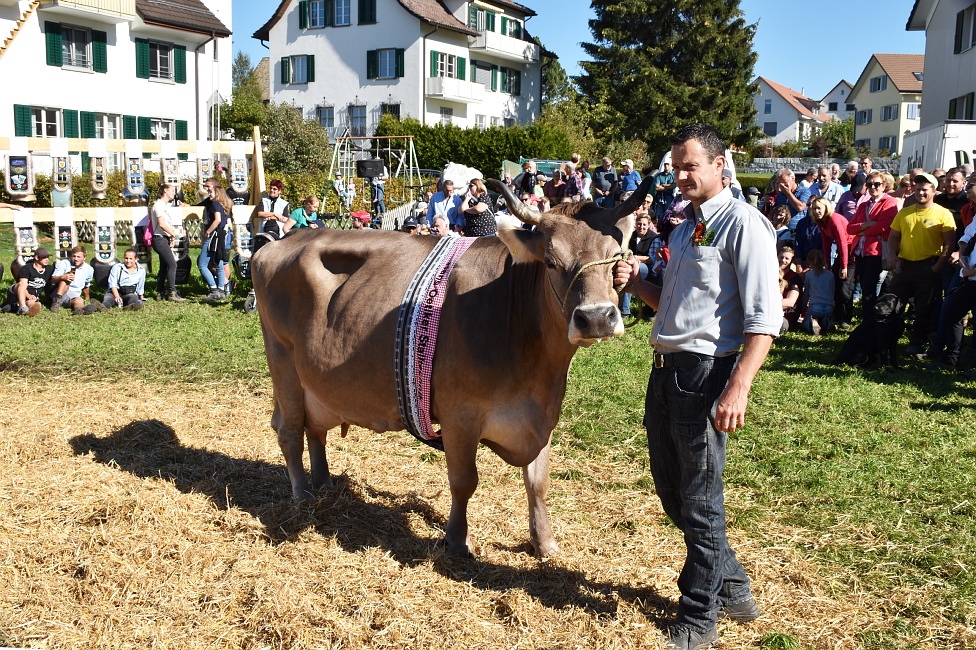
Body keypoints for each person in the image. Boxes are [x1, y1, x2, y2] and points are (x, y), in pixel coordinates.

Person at [615, 123, 779, 650]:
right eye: (676, 166)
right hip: (665, 373)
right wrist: (634, 281)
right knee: (674, 495)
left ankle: (698, 617)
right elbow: (672, 306)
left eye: (691, 165)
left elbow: (764, 319)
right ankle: (732, 587)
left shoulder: (745, 226)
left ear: (720, 163)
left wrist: (739, 388)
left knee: (702, 502)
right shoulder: (685, 230)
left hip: (705, 376)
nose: (682, 175)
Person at [887, 172, 957, 355]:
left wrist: (937, 267)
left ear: (934, 191)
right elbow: (893, 237)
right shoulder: (904, 212)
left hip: (929, 266)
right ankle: (887, 339)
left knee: (923, 309)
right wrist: (893, 257)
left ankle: (916, 343)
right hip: (904, 266)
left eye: (925, 190)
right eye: (918, 190)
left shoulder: (944, 214)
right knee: (893, 303)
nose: (920, 193)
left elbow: (949, 244)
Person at [847, 171, 899, 310]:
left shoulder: (889, 202)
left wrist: (862, 231)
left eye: (877, 184)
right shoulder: (864, 205)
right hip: (860, 251)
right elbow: (850, 228)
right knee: (865, 286)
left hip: (876, 251)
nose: (873, 187)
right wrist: (866, 225)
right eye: (869, 184)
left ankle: (869, 321)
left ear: (884, 186)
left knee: (870, 288)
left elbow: (883, 227)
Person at [810, 196, 855, 328]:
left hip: (851, 252)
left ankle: (846, 317)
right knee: (835, 282)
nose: (817, 211)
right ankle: (836, 315)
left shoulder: (834, 219)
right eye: (814, 209)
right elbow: (826, 242)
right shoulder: (821, 221)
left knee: (845, 286)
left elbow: (842, 242)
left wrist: (844, 266)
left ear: (826, 207)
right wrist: (828, 263)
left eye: (819, 208)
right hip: (842, 253)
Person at [151, 183, 187, 302]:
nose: (174, 193)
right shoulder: (158, 205)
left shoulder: (166, 206)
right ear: (165, 190)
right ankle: (172, 292)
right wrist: (173, 234)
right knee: (172, 264)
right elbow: (161, 224)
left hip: (165, 239)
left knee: (164, 266)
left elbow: (168, 223)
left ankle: (160, 292)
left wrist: (171, 238)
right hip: (159, 238)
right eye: (172, 190)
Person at [198, 181, 233, 302]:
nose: (209, 194)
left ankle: (213, 289)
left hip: (213, 236)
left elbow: (217, 220)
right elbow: (227, 223)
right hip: (221, 237)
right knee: (219, 264)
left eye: (211, 191)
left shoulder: (214, 205)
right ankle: (221, 289)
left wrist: (208, 231)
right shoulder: (224, 205)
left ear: (217, 193)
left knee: (202, 264)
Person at [2, 246, 52, 316]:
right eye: (44, 257)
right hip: (17, 292)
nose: (47, 259)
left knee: (33, 303)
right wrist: (28, 295)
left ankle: (29, 310)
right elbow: (23, 284)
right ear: (36, 257)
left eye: (47, 257)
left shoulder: (49, 269)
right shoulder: (26, 268)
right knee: (21, 284)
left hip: (33, 297)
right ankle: (22, 307)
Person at [51, 245, 101, 315]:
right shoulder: (64, 263)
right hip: (59, 292)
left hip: (74, 295)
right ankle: (56, 302)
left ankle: (80, 311)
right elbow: (53, 279)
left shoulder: (89, 269)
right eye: (74, 256)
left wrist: (87, 298)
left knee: (79, 301)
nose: (75, 259)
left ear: (84, 258)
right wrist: (62, 277)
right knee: (67, 277)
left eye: (78, 257)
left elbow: (86, 286)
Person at [803, 249, 834, 335]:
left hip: (815, 306)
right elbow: (832, 291)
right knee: (824, 321)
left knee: (805, 325)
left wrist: (803, 306)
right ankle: (826, 323)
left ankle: (812, 322)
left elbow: (806, 293)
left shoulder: (809, 274)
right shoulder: (830, 275)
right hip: (829, 306)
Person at [778, 243, 803, 331]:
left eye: (787, 258)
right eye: (781, 257)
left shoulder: (794, 278)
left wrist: (765, 306)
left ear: (791, 261)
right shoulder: (771, 274)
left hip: (786, 318)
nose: (783, 260)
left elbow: (790, 302)